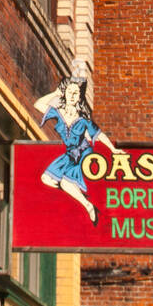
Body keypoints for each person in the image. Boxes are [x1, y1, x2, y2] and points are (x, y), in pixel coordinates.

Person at [34, 75, 120, 225]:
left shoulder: (83, 119)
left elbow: (99, 135)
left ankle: (88, 206)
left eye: (76, 93)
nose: (72, 96)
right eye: (70, 92)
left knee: (66, 183)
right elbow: (38, 104)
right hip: (69, 155)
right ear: (65, 93)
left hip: (83, 154)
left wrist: (113, 150)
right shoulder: (58, 113)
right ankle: (78, 196)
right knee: (46, 179)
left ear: (80, 97)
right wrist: (56, 93)